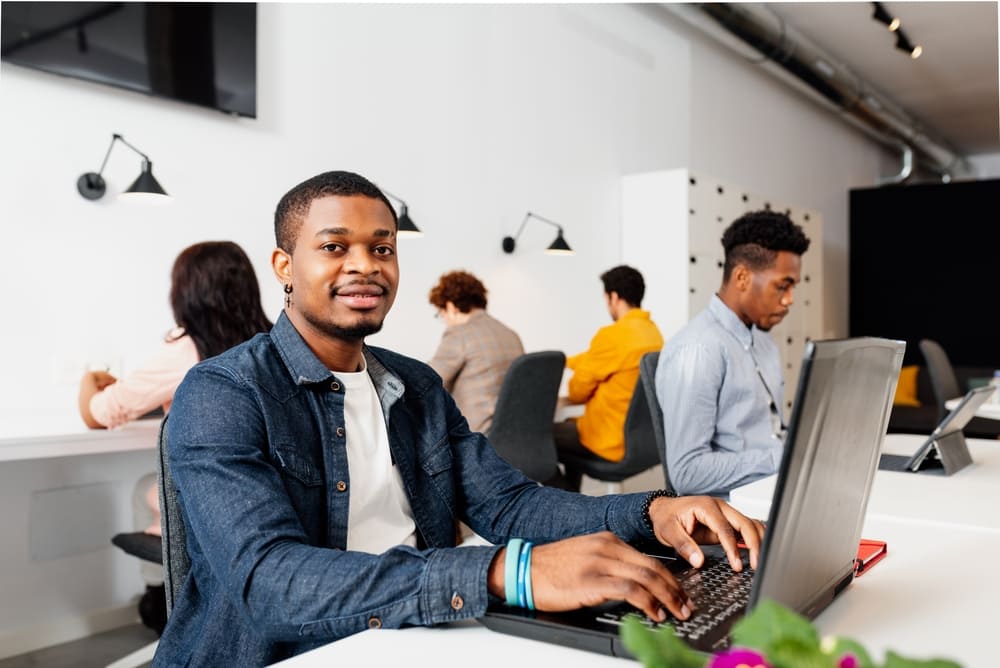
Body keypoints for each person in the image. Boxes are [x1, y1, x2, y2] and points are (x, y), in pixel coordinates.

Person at [152, 170, 765, 667]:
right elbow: (269, 582)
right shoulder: (222, 393)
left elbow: (510, 505)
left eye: (382, 248)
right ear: (285, 267)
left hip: (418, 630)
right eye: (335, 247)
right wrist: (505, 571)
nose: (365, 264)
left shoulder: (414, 384)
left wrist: (651, 513)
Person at [77, 240, 273, 634]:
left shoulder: (186, 350)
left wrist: (91, 377)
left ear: (186, 292)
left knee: (145, 489)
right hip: (268, 496)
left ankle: (159, 599)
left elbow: (99, 414)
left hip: (215, 496)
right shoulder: (273, 342)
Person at [655, 210, 811, 497]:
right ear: (742, 277)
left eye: (793, 287)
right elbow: (687, 473)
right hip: (737, 508)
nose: (789, 300)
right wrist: (785, 457)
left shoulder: (763, 341)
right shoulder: (698, 349)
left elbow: (773, 429)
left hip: (776, 488)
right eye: (782, 286)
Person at [553, 265, 664, 472]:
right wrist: (568, 362)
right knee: (567, 426)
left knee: (540, 437)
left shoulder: (612, 336)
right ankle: (575, 501)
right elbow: (599, 359)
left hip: (607, 439)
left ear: (613, 297)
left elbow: (577, 392)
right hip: (642, 441)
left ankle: (565, 501)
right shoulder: (653, 333)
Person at [427, 270, 524, 434]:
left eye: (441, 313)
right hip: (514, 433)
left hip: (476, 437)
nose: (444, 320)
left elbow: (427, 382)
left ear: (451, 307)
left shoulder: (459, 334)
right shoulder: (510, 334)